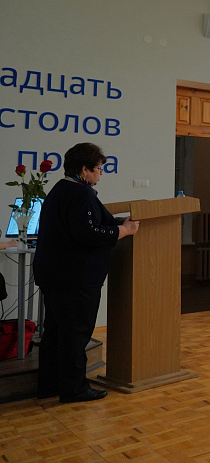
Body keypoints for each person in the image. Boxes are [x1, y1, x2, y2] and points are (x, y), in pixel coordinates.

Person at [34, 142, 140, 402]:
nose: (101, 174)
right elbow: (88, 232)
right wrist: (123, 231)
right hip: (76, 278)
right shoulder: (80, 193)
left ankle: (50, 384)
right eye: (99, 169)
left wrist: (116, 224)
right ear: (85, 169)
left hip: (56, 275)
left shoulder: (61, 189)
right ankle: (74, 389)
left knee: (56, 331)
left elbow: (84, 223)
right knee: (75, 334)